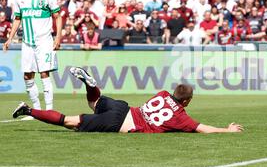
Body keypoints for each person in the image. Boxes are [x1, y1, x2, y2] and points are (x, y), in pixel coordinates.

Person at [12, 67, 244, 134]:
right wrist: (227, 129)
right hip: (122, 122)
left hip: (124, 108)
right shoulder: (180, 116)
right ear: (187, 101)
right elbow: (202, 128)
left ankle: (91, 85)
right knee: (69, 121)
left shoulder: (163, 93)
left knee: (95, 102)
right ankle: (28, 110)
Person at [3, 0, 62, 113]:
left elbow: (58, 17)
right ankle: (36, 111)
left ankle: (49, 111)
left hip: (44, 41)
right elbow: (17, 19)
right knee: (27, 75)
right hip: (27, 42)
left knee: (44, 73)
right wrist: (10, 38)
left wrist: (58, 37)